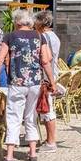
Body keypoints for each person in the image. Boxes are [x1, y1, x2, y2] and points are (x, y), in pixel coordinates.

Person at [0, 9, 56, 161]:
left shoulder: (10, 36)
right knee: (31, 116)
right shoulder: (39, 36)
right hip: (34, 83)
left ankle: (9, 156)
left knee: (13, 117)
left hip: (16, 83)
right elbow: (46, 61)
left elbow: (0, 60)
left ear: (17, 21)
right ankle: (33, 152)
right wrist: (52, 81)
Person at [34, 9, 60, 153]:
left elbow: (46, 58)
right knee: (46, 108)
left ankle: (51, 142)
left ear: (41, 22)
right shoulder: (54, 36)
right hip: (50, 75)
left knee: (47, 109)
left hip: (46, 76)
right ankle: (48, 139)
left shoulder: (45, 37)